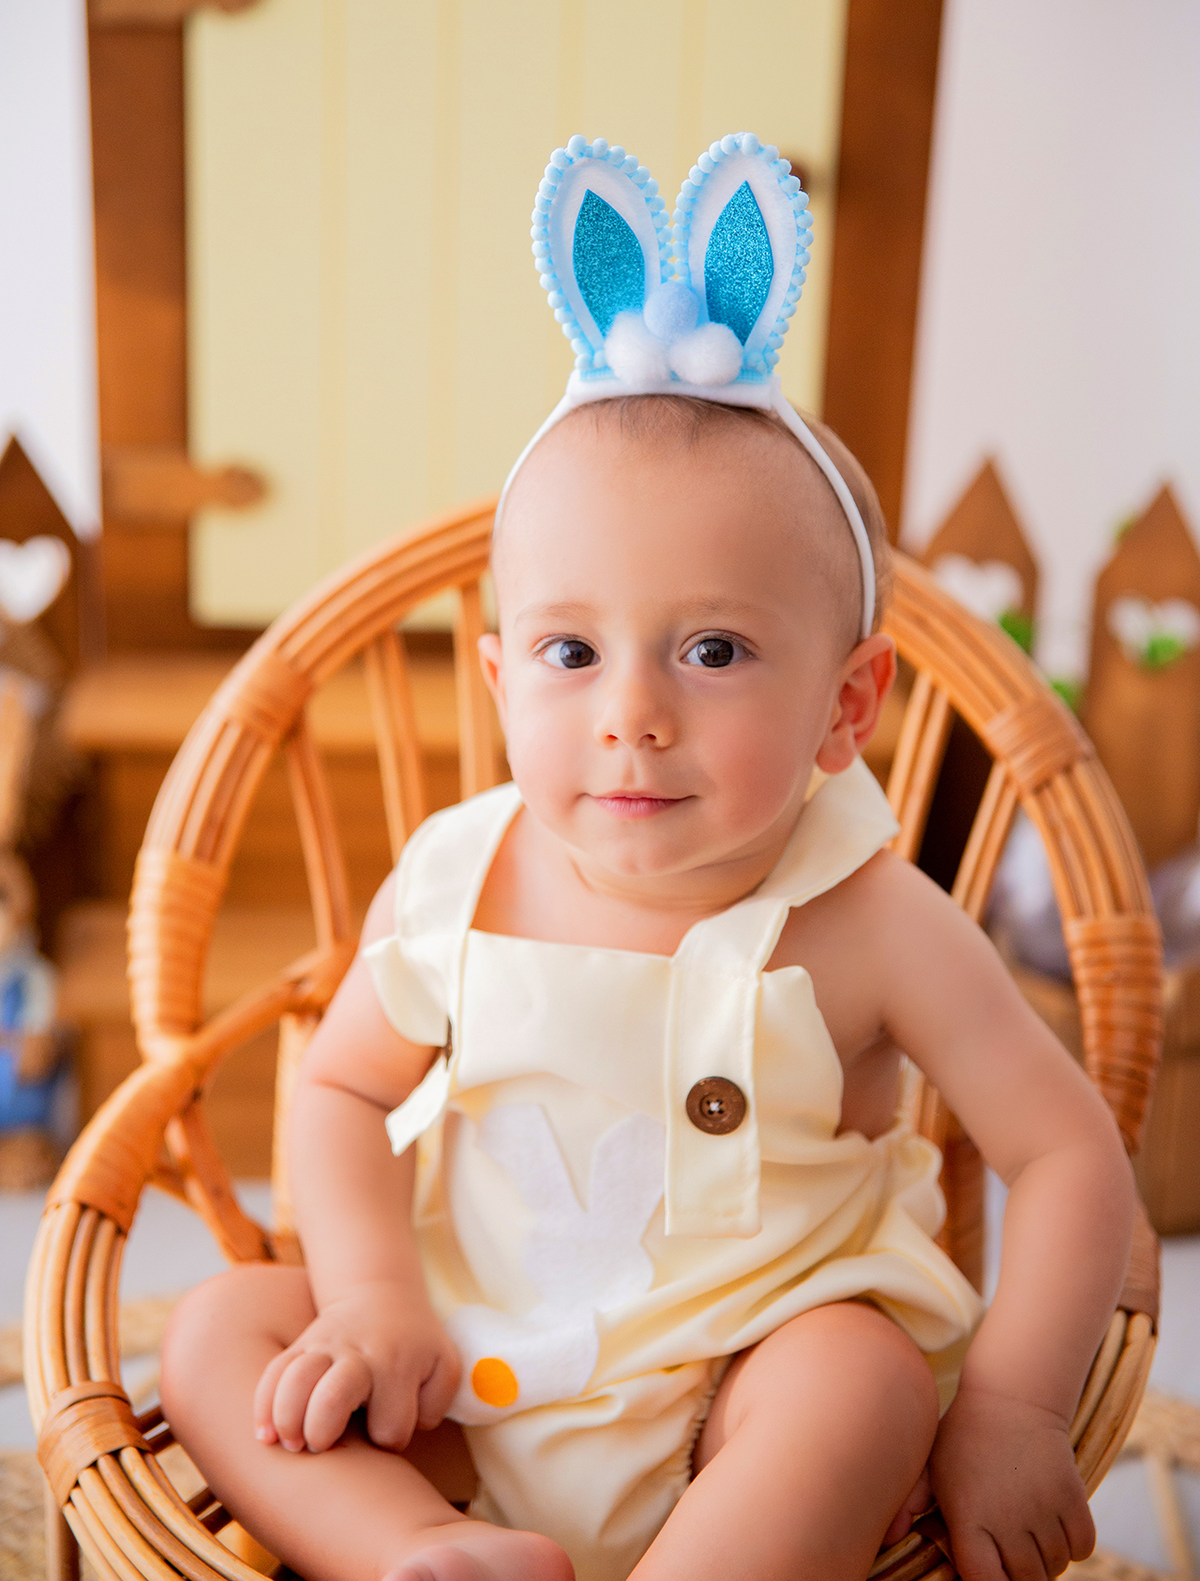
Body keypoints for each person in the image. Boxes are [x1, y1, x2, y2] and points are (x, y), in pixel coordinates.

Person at [161, 136, 1134, 1581]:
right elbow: (346, 1088)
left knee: (858, 1384)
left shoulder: (872, 919)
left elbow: (1068, 1153)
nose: (632, 716)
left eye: (716, 649)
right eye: (571, 650)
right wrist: (372, 1299)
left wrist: (1009, 1404)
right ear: (499, 682)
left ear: (846, 706)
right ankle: (418, 1550)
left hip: (736, 1403)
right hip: (467, 1352)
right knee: (214, 1334)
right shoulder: (461, 875)